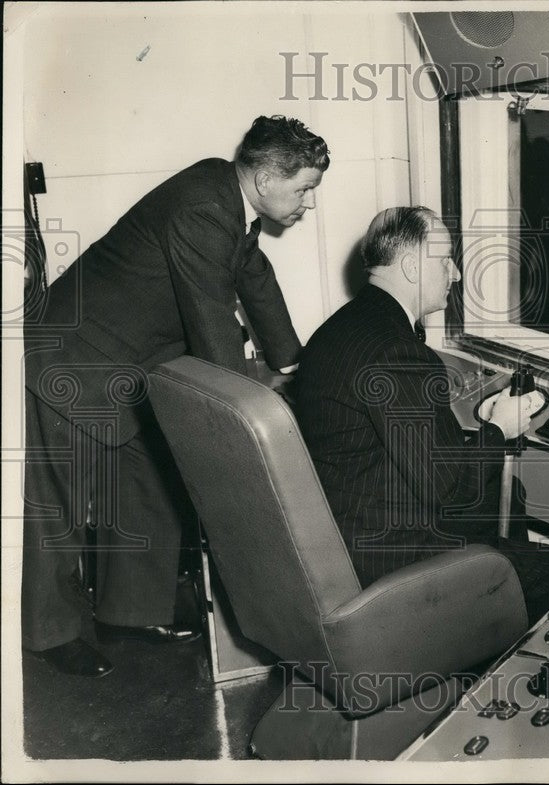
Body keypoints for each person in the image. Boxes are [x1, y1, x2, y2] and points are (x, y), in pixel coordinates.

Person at [22, 115, 329, 677]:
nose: (308, 204)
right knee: (58, 504)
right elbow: (212, 321)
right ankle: (51, 632)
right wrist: (244, 412)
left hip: (133, 361)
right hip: (76, 355)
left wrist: (297, 364)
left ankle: (130, 611)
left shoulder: (226, 196)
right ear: (265, 180)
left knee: (150, 482)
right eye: (304, 189)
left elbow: (252, 275)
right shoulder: (203, 207)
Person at [294, 206, 549, 623]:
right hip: (386, 550)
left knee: (508, 495)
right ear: (412, 266)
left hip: (345, 523)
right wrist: (499, 428)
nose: (457, 274)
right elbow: (450, 492)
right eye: (446, 259)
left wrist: (483, 425)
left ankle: (490, 621)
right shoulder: (399, 352)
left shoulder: (338, 330)